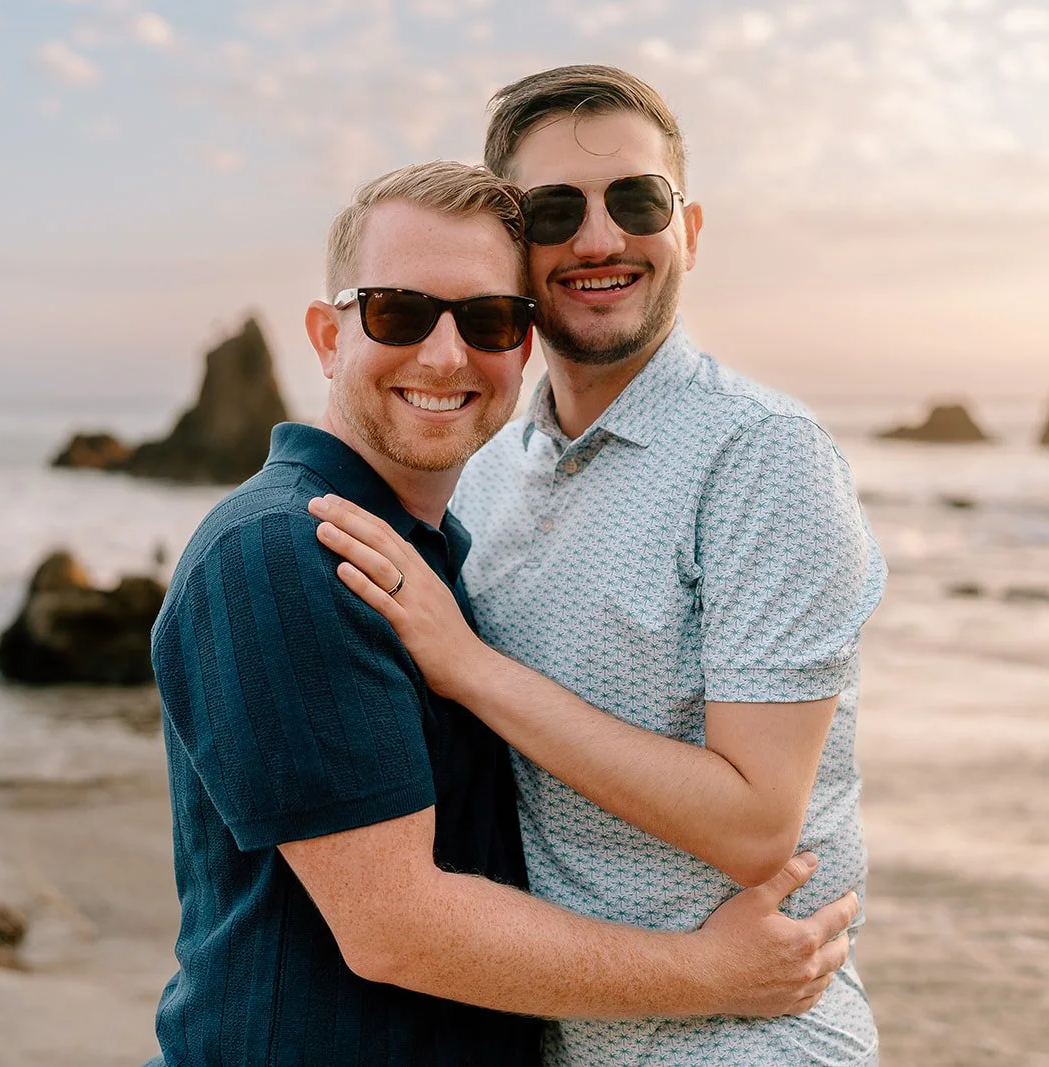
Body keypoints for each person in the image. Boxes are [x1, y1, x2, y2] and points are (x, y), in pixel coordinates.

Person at [145, 160, 859, 1067]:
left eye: (487, 319)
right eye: (400, 312)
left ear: (525, 348)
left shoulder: (429, 554)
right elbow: (396, 927)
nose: (446, 355)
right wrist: (714, 974)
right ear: (329, 338)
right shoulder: (285, 551)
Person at [310, 68, 888, 1065]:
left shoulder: (762, 457)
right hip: (549, 1035)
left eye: (635, 200)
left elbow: (756, 822)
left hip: (747, 1034)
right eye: (553, 210)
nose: (598, 239)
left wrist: (471, 667)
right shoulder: (485, 470)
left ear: (689, 231)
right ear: (514, 252)